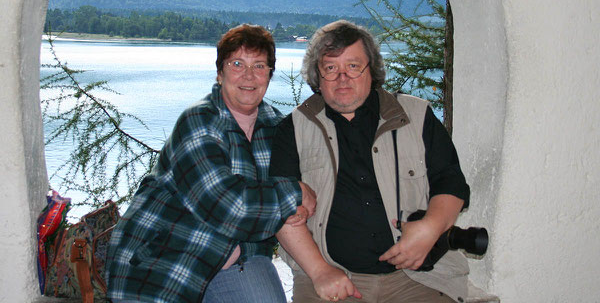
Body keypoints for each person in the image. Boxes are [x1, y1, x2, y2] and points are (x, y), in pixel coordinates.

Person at [106, 24, 316, 303]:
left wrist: (287, 209)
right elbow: (229, 206)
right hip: (170, 256)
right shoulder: (198, 121)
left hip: (240, 258)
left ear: (269, 74)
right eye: (237, 64)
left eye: (260, 66)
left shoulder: (277, 128)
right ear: (220, 73)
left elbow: (283, 211)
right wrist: (295, 194)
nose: (248, 75)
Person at [270, 20, 471, 303]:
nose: (342, 78)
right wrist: (320, 272)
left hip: (418, 278)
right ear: (318, 76)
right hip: (334, 279)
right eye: (331, 68)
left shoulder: (417, 116)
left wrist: (430, 228)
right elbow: (279, 209)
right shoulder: (292, 130)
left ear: (371, 70)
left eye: (353, 66)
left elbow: (451, 181)